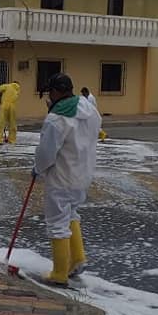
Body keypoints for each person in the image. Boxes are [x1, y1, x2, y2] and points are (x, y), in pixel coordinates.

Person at [34, 73, 101, 286]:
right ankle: (77, 259)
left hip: (62, 177)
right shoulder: (89, 108)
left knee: (57, 223)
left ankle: (59, 273)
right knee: (71, 213)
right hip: (83, 174)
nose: (49, 97)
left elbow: (47, 153)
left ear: (55, 92)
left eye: (50, 93)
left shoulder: (56, 118)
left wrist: (37, 168)